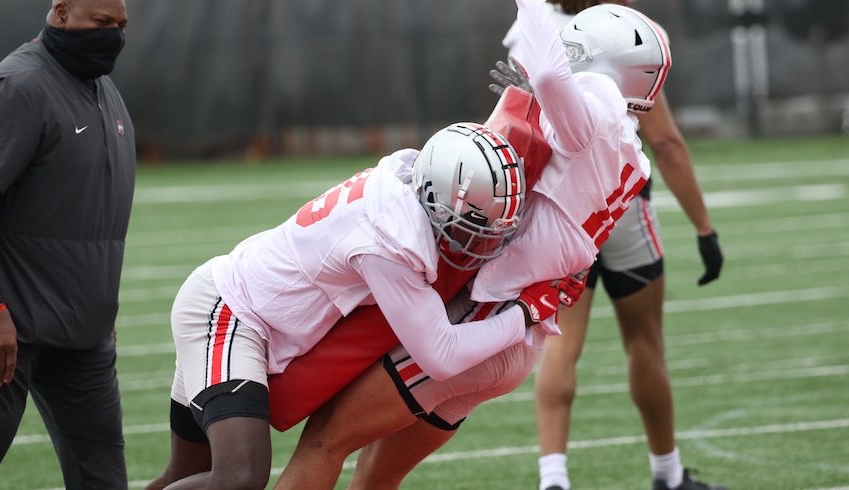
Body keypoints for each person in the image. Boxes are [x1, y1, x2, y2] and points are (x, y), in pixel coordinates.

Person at [270, 1, 663, 488]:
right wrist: (527, 101)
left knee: (324, 442)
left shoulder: (597, 111)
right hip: (511, 340)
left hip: (482, 324)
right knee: (374, 478)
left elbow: (550, 74)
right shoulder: (628, 149)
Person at [150, 121, 582, 490]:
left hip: (243, 310)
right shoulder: (390, 239)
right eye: (473, 227)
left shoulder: (412, 173)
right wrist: (524, 315)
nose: (484, 243)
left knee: (188, 473)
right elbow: (442, 353)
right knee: (240, 477)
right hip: (229, 313)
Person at [505, 1, 727, 490]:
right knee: (645, 343)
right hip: (618, 205)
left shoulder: (532, 30)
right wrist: (704, 228)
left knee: (560, 346)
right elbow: (664, 141)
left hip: (560, 210)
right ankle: (668, 474)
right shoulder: (628, 32)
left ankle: (554, 479)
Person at [0, 1, 133, 488]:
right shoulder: (18, 87)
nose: (114, 36)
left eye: (121, 26)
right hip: (7, 324)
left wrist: (97, 298)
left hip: (83, 330)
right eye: (102, 23)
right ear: (60, 14)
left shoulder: (103, 89)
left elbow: (87, 209)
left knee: (102, 474)